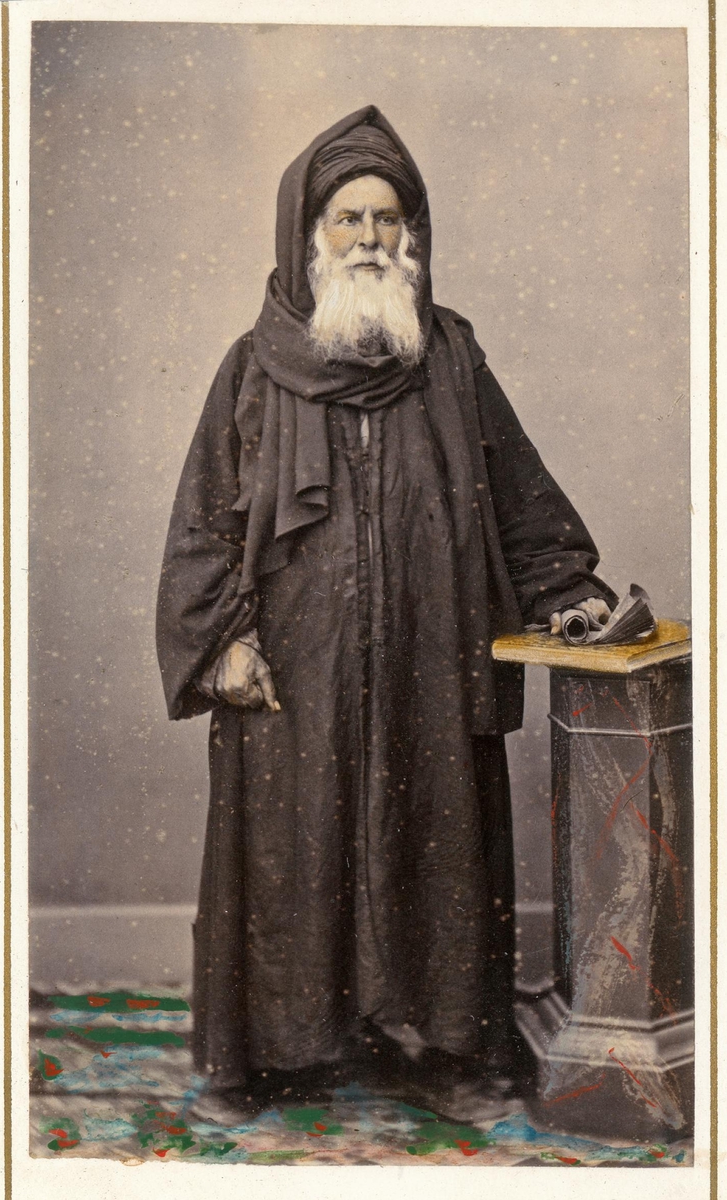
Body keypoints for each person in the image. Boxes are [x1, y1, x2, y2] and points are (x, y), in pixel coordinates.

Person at [156, 106, 616, 1119]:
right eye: (347, 219)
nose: (369, 239)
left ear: (413, 232)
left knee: (435, 850)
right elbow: (202, 523)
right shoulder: (251, 366)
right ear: (307, 234)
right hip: (292, 675)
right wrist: (222, 642)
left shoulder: (451, 356)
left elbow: (522, 501)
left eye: (386, 219)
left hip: (429, 660)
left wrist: (567, 594)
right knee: (290, 857)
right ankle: (273, 1058)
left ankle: (444, 1054)